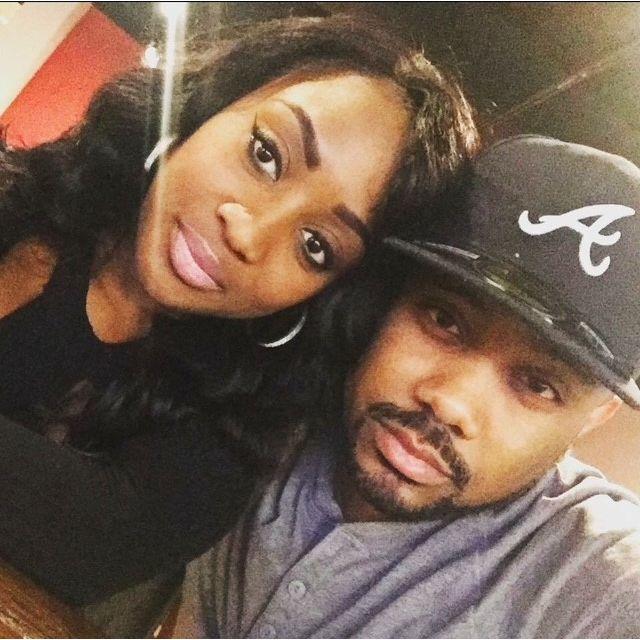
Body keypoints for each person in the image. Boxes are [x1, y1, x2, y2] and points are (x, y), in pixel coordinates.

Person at [0, 15, 479, 604]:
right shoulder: (26, 198)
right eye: (266, 155)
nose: (248, 234)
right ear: (210, 104)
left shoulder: (232, 425)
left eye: (316, 247)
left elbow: (90, 542)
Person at [175, 135, 640, 638]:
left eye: (538, 385)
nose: (450, 401)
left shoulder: (595, 579)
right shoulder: (276, 391)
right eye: (444, 319)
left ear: (596, 415)